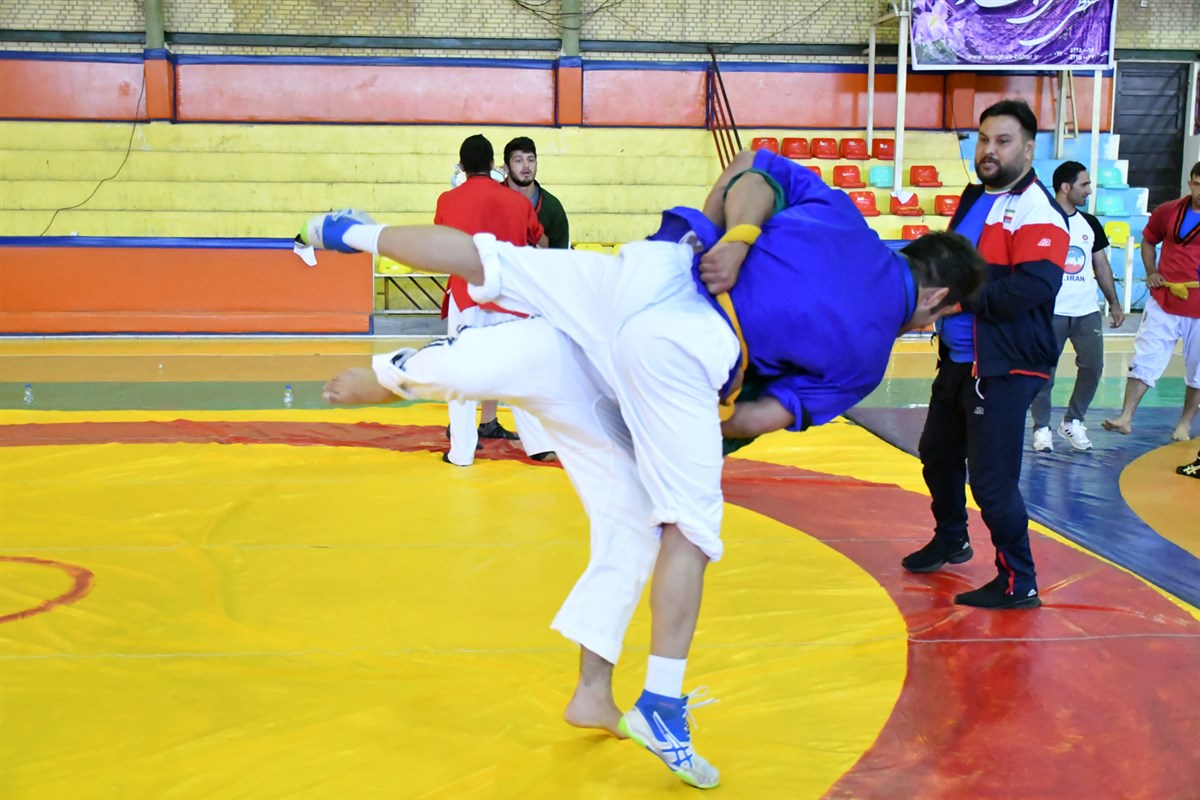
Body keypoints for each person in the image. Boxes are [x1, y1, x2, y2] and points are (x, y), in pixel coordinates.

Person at [305, 148, 985, 789]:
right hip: (682, 349)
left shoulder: (840, 215)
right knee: (689, 526)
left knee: (497, 265)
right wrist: (669, 422)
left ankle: (352, 238)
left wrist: (735, 237)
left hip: (652, 271)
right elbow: (750, 420)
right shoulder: (866, 356)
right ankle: (662, 700)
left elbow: (749, 167)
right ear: (937, 300)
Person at [902, 99, 1069, 610]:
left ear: (1029, 149)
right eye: (983, 140)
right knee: (937, 454)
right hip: (959, 360)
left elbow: (1032, 289)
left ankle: (1020, 580)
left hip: (1004, 367)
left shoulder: (1039, 209)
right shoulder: (975, 196)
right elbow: (954, 266)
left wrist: (953, 300)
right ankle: (952, 537)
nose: (989, 150)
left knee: (993, 483)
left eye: (1003, 141)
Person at [434, 133, 555, 464]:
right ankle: (539, 445)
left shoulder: (447, 200)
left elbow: (441, 241)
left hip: (466, 295)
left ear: (462, 166)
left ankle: (461, 452)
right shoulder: (518, 202)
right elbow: (540, 240)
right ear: (492, 164)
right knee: (520, 371)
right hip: (508, 296)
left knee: (461, 374)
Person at [1029, 161, 1125, 452]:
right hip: (1050, 311)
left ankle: (1073, 421)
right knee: (1044, 373)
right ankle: (1041, 427)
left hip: (1086, 312)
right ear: (1065, 187)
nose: (1089, 190)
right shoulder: (1040, 222)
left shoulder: (1090, 223)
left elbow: (1101, 266)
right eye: (1084, 184)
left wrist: (1114, 303)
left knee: (1093, 367)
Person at [1103, 162, 1200, 443]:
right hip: (1165, 298)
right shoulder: (1168, 211)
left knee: (1198, 370)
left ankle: (1184, 424)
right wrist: (1151, 271)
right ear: (1190, 183)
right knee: (1145, 357)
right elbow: (1148, 241)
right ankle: (1125, 417)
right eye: (1198, 184)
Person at [504, 136, 570, 249]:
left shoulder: (552, 207)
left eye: (531, 160)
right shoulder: (492, 200)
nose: (526, 166)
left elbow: (560, 255)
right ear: (506, 167)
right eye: (518, 160)